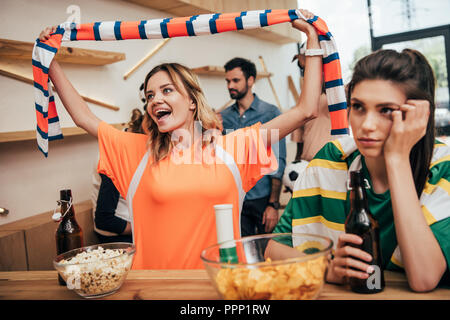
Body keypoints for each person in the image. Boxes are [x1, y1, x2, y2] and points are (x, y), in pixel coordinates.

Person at [38, 9, 323, 270]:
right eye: (150, 95)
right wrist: (51, 61)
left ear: (191, 101)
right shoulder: (137, 151)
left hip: (218, 288)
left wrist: (310, 39)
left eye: (166, 90)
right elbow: (84, 118)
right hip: (152, 289)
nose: (155, 100)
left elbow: (306, 110)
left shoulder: (233, 148)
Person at [269, 48, 450, 291]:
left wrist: (397, 158)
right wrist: (326, 267)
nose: (366, 125)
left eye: (386, 110)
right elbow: (273, 248)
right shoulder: (333, 158)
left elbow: (424, 278)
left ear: (418, 116)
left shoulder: (443, 167)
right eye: (358, 107)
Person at [220, 57, 287, 236]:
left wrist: (273, 205)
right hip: (235, 199)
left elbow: (278, 162)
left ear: (250, 80)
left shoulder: (271, 113)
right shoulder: (223, 117)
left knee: (265, 252)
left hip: (262, 198)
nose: (230, 85)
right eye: (227, 81)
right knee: (242, 254)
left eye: (235, 80)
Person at [91, 108, 145, 244]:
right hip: (116, 236)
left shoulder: (128, 147)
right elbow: (105, 220)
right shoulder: (116, 157)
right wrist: (145, 228)